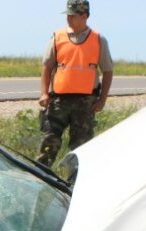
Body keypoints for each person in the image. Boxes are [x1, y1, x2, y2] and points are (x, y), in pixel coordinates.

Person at [36, 0, 113, 167]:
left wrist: (102, 100)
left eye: (73, 15)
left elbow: (107, 71)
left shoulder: (98, 39)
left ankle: (75, 179)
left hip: (85, 103)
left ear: (84, 16)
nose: (68, 18)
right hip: (58, 101)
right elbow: (46, 67)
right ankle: (40, 175)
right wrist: (44, 93)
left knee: (81, 148)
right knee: (48, 142)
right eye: (68, 15)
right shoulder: (57, 37)